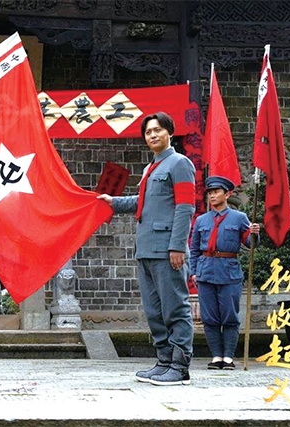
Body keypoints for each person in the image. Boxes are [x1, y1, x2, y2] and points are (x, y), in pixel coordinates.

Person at [98, 112, 196, 386]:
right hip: (146, 249)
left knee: (175, 308)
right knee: (154, 311)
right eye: (148, 132)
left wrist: (177, 246)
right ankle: (164, 361)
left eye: (158, 130)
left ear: (170, 133)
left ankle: (180, 367)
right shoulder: (150, 168)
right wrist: (113, 202)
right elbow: (142, 202)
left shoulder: (180, 163)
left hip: (167, 250)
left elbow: (186, 207)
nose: (152, 135)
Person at [190, 176, 260, 370]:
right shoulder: (201, 220)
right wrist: (194, 273)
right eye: (210, 193)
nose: (212, 196)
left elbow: (249, 244)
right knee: (209, 317)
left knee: (229, 316)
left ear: (227, 194)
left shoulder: (239, 218)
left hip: (229, 273)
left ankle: (228, 357)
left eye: (216, 192)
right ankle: (216, 356)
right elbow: (194, 249)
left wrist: (254, 234)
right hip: (205, 272)